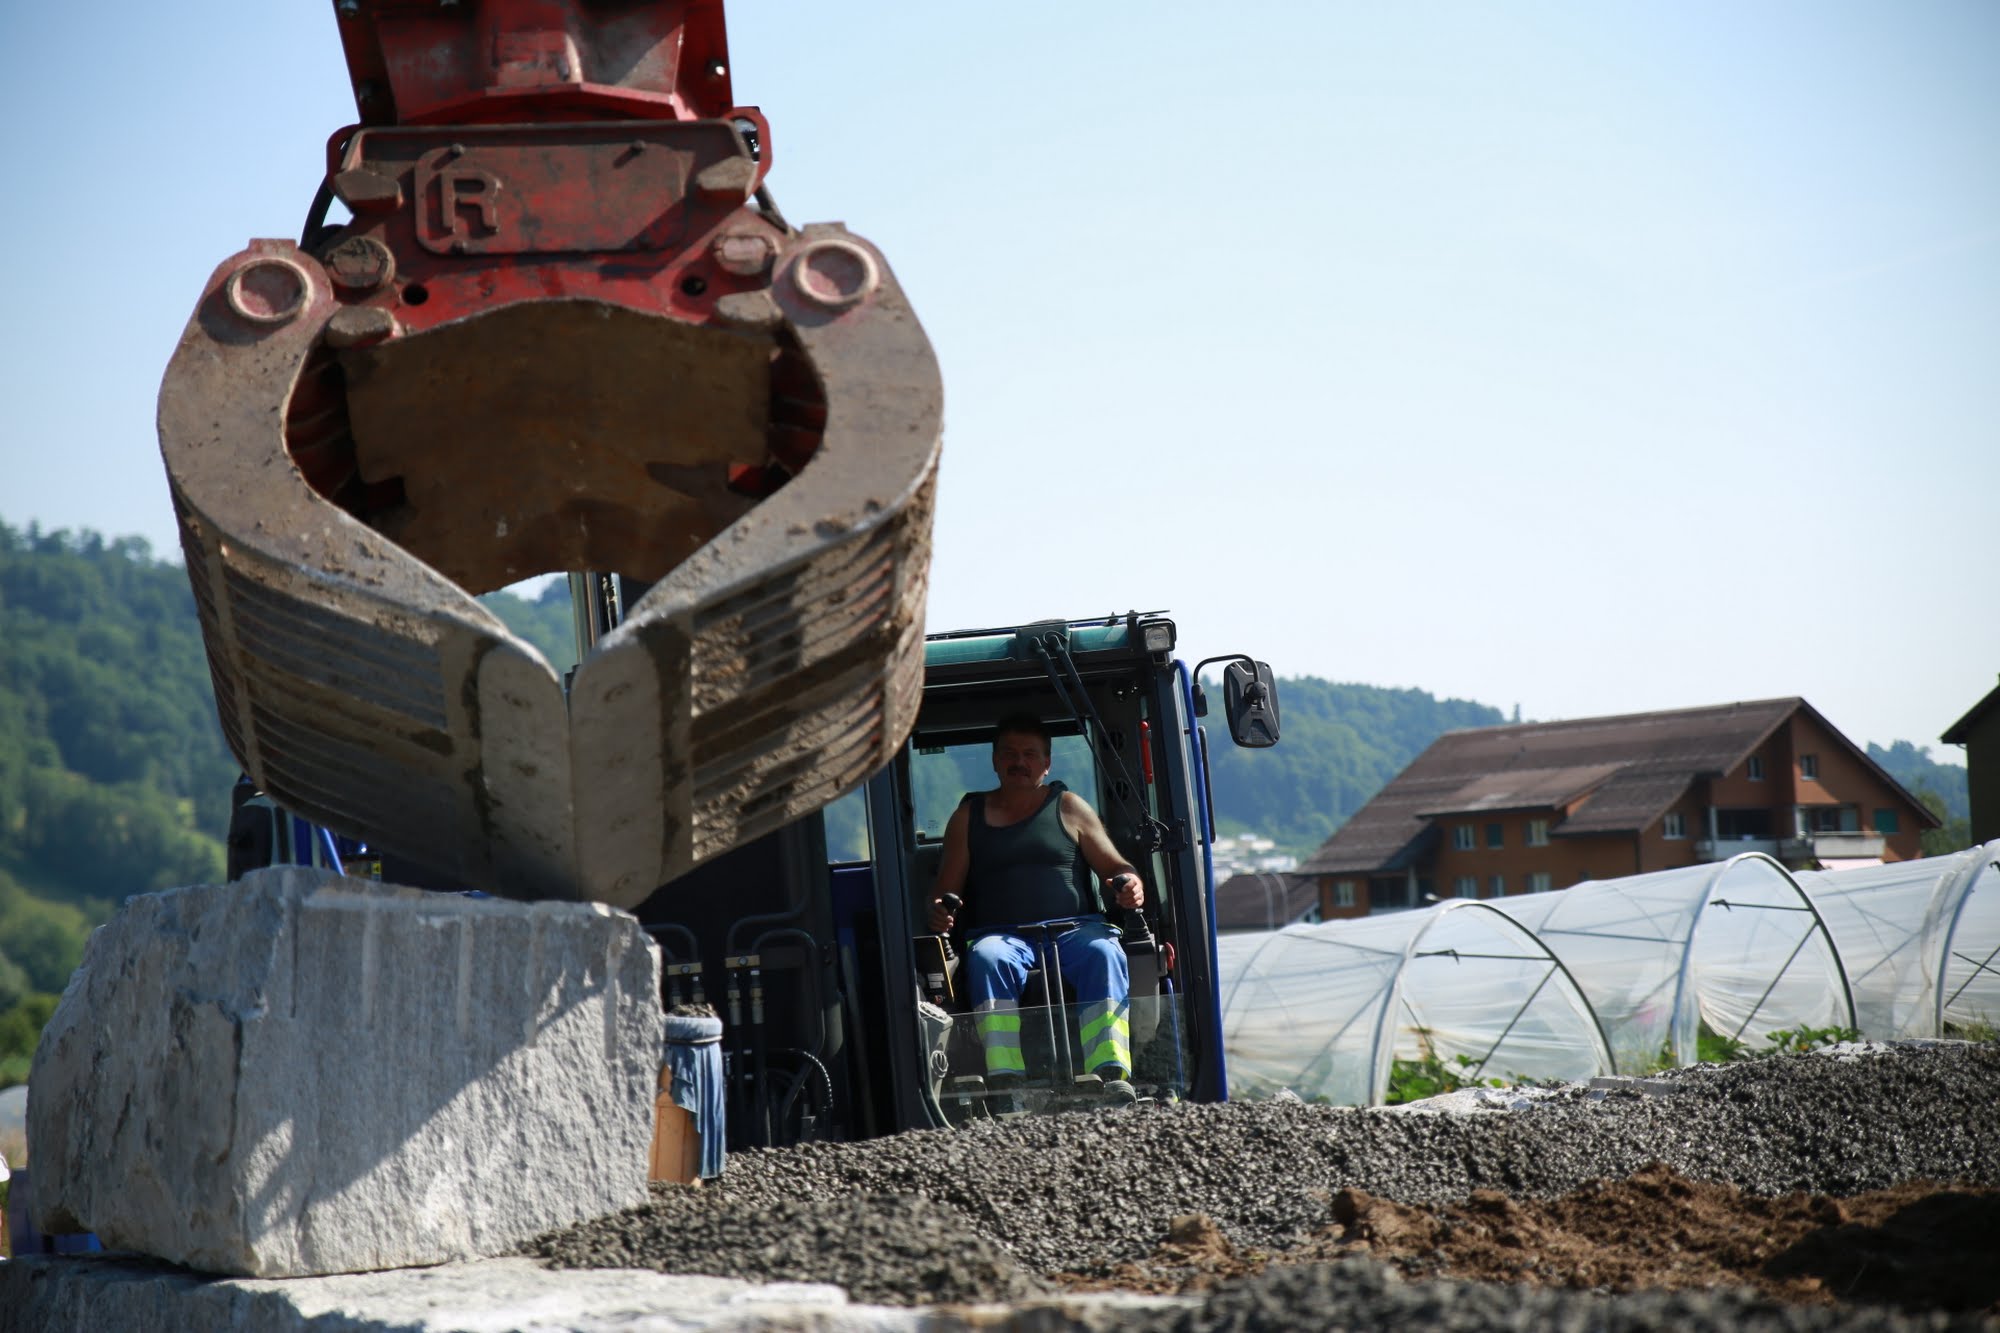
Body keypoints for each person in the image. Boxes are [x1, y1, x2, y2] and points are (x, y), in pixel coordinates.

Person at [928, 712, 1145, 1105]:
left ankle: (1110, 1070)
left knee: (1104, 951)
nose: (1019, 762)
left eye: (1030, 754)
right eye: (1009, 754)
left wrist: (1132, 885)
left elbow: (1116, 867)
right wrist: (940, 911)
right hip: (1002, 936)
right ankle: (1006, 1077)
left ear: (1046, 763)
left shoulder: (1070, 807)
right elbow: (944, 893)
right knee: (988, 958)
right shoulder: (966, 818)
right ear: (995, 761)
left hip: (1075, 930)